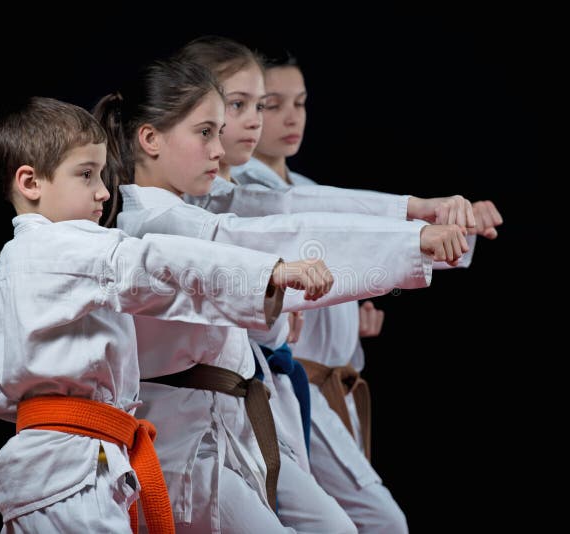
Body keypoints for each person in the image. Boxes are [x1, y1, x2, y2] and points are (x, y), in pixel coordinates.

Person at [94, 57, 470, 532]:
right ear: (150, 139)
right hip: (183, 445)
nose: (220, 147)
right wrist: (411, 240)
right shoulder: (152, 222)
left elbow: (284, 207)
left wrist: (413, 215)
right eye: (206, 132)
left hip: (230, 425)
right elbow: (251, 240)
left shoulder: (184, 209)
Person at [0, 96, 335, 533]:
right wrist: (269, 271)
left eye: (102, 175)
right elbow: (156, 262)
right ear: (30, 182)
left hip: (32, 474)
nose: (103, 192)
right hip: (79, 473)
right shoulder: (70, 245)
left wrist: (48, 408)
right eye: (86, 175)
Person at [231, 47, 505, 533]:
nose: (285, 117)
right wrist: (428, 221)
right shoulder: (243, 194)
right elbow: (323, 231)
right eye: (267, 104)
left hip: (325, 386)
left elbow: (344, 237)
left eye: (300, 102)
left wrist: (347, 329)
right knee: (376, 522)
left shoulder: (302, 186)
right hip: (284, 391)